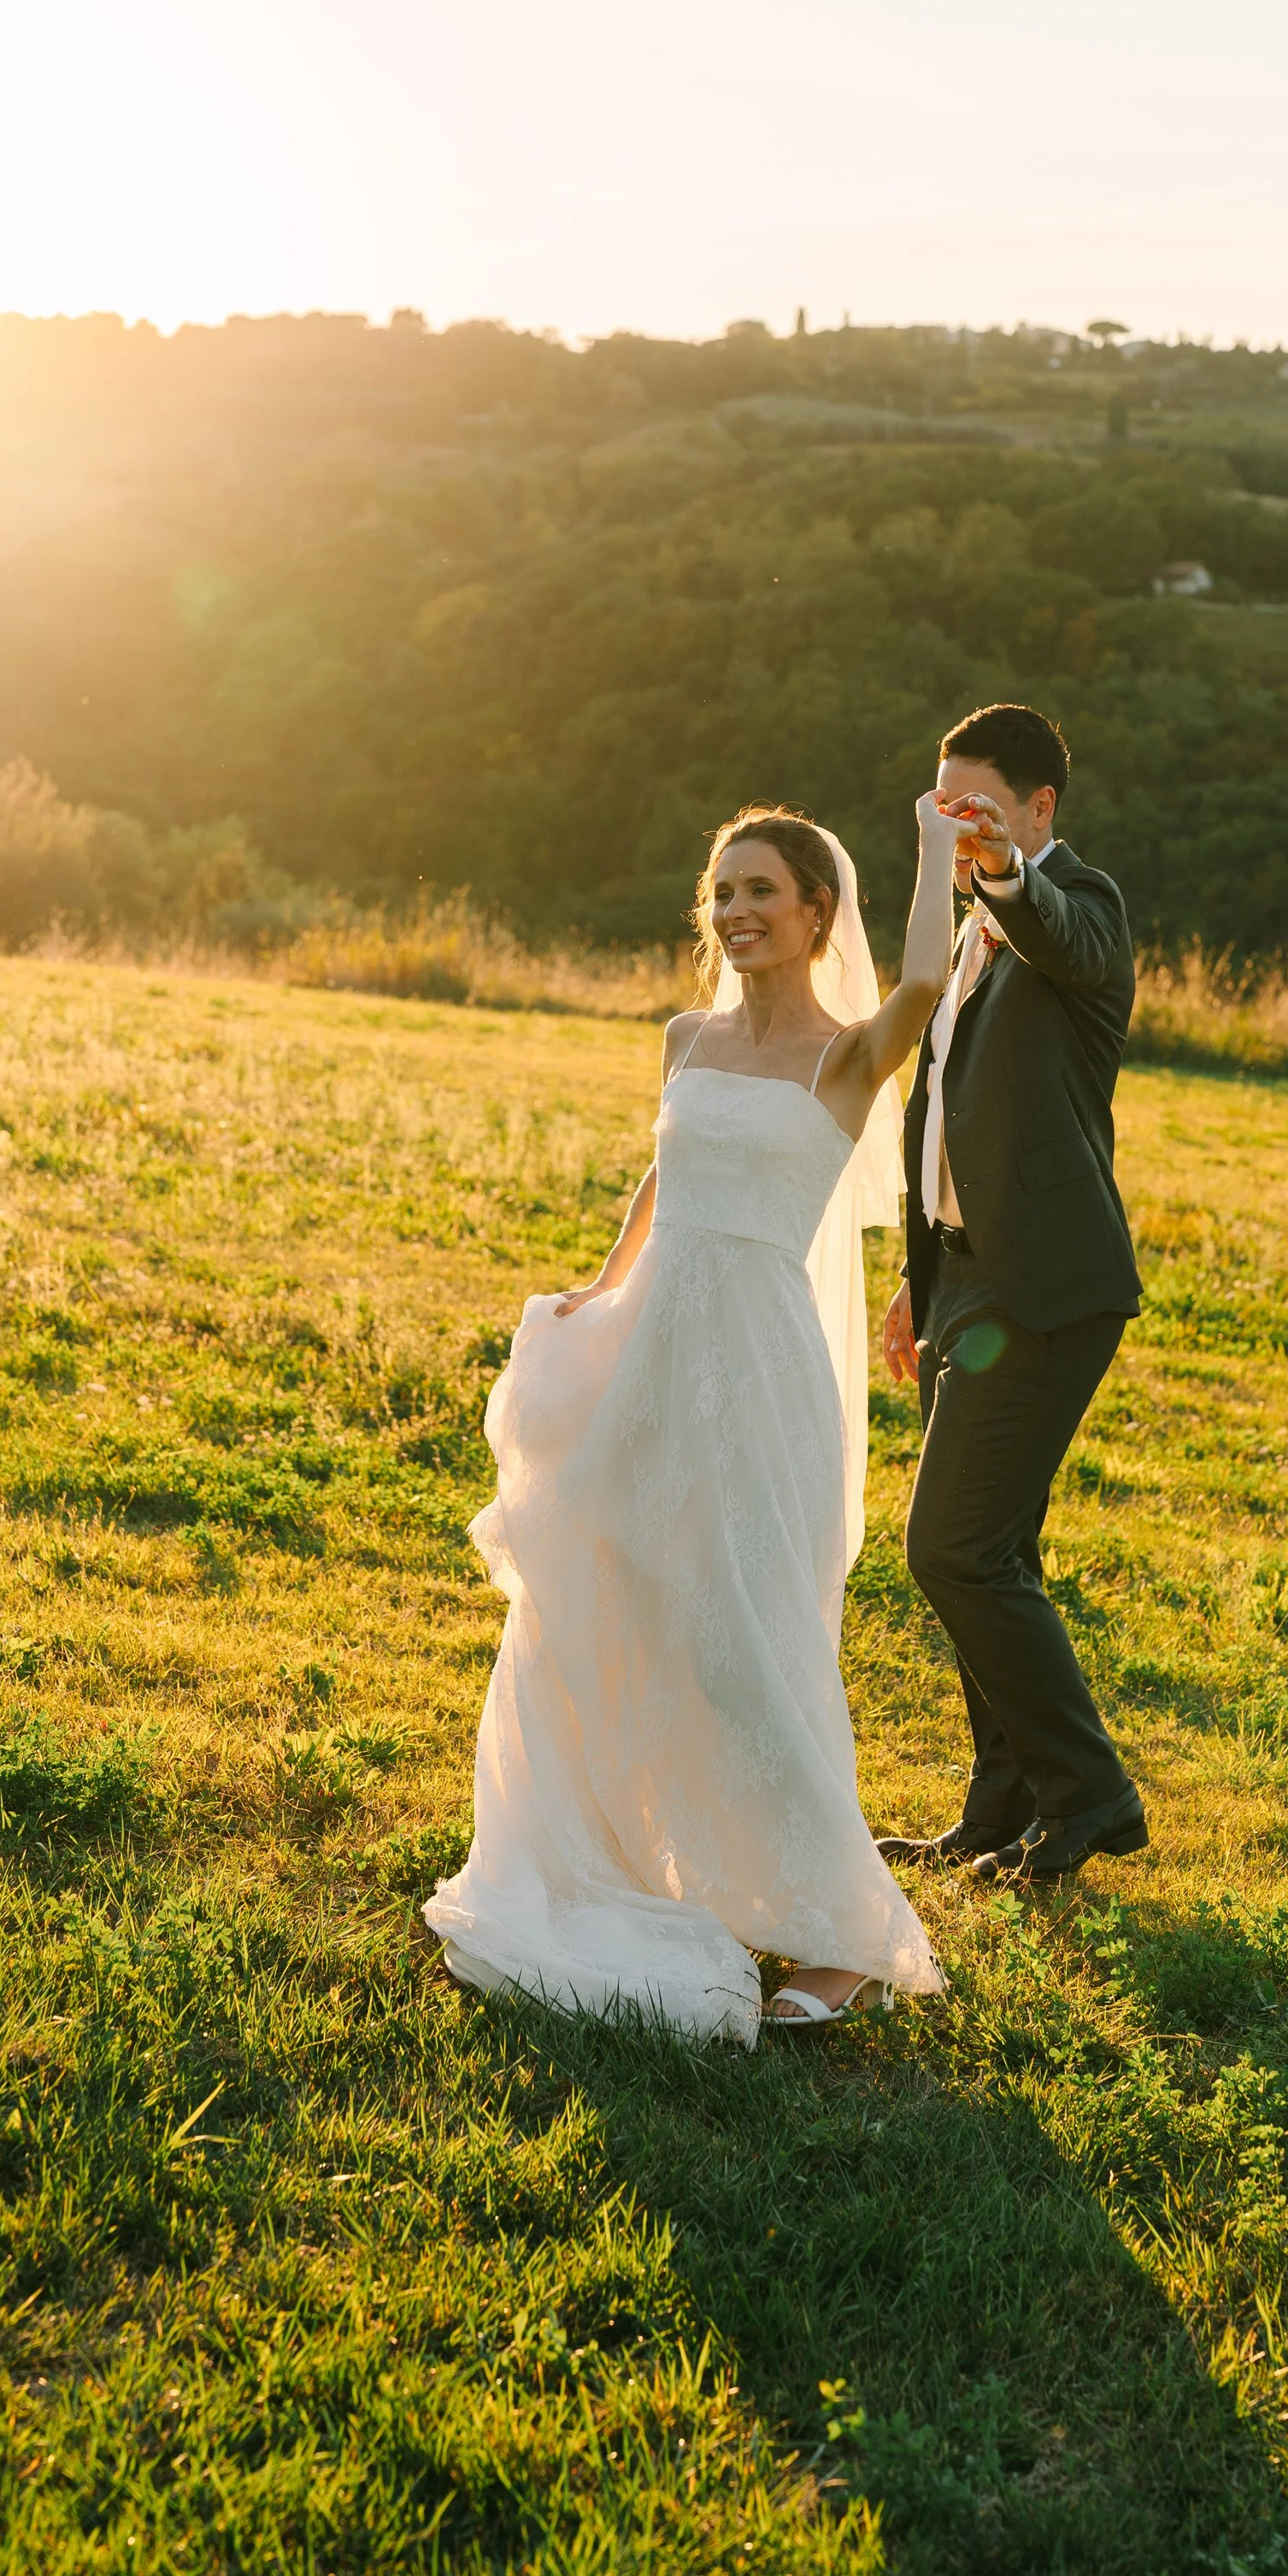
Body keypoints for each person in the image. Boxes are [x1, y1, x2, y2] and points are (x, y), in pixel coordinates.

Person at [426, 793, 958, 2044]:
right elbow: (669, 1169)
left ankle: (844, 1935)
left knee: (754, 1631)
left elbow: (929, 980)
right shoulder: (685, 1037)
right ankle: (646, 1855)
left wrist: (935, 842)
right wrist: (601, 1286)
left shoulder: (843, 1054)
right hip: (662, 1347)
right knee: (624, 1593)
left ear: (818, 911)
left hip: (763, 1367)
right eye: (721, 892)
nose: (736, 912)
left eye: (762, 891)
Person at [875, 703, 1150, 1888]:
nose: (962, 824)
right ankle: (997, 1807)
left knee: (950, 1549)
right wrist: (915, 1281)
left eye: (982, 805)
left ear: (1039, 809)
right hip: (963, 1280)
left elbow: (1064, 938)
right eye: (946, 805)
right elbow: (935, 1110)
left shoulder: (1080, 907)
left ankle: (1090, 1793)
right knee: (998, 1552)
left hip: (1045, 1287)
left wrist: (998, 868)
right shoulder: (960, 936)